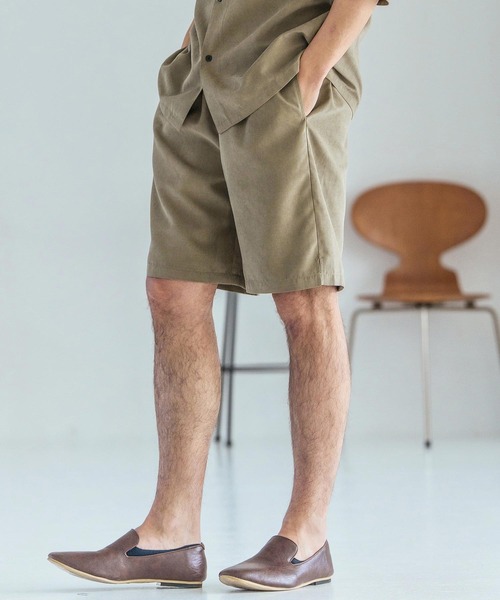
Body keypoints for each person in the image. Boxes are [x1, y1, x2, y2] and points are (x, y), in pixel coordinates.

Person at [48, 0, 389, 591]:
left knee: (305, 299)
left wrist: (311, 72)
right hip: (199, 89)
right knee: (172, 291)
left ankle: (307, 536)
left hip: (283, 85)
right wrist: (190, 47)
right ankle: (170, 533)